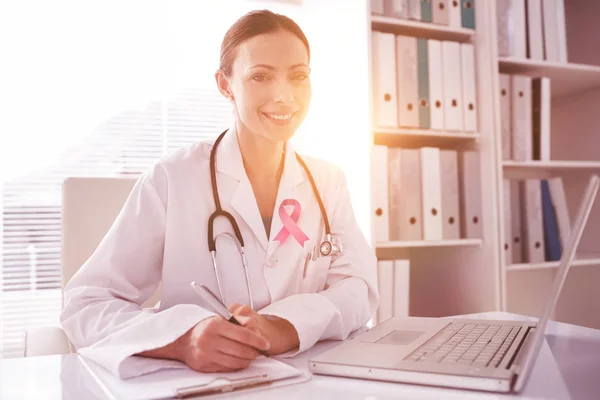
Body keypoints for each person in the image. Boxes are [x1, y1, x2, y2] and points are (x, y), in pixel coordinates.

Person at [60, 9, 378, 378]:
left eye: (298, 76)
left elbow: (359, 287)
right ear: (225, 85)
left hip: (309, 382)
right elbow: (85, 304)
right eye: (260, 76)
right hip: (203, 385)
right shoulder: (172, 178)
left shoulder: (328, 181)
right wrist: (181, 339)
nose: (284, 95)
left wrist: (284, 327)